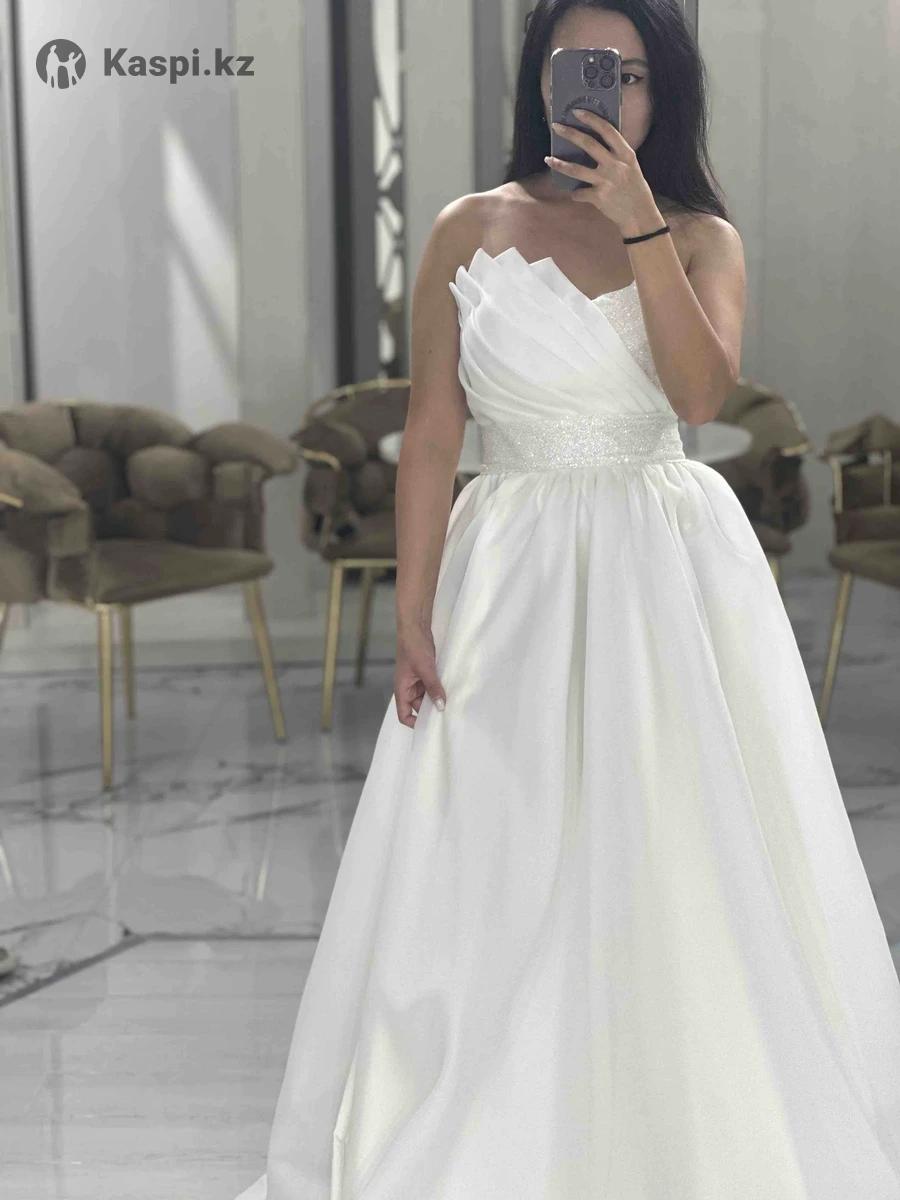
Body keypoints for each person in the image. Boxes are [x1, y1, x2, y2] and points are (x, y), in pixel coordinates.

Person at [236, 2, 900, 1197]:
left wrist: (639, 219)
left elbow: (699, 397)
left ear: (665, 91)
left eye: (632, 74)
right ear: (541, 83)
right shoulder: (468, 227)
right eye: (584, 69)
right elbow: (433, 431)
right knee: (499, 848)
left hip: (664, 568)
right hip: (510, 573)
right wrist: (414, 613)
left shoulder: (700, 236)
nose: (610, 94)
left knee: (676, 845)